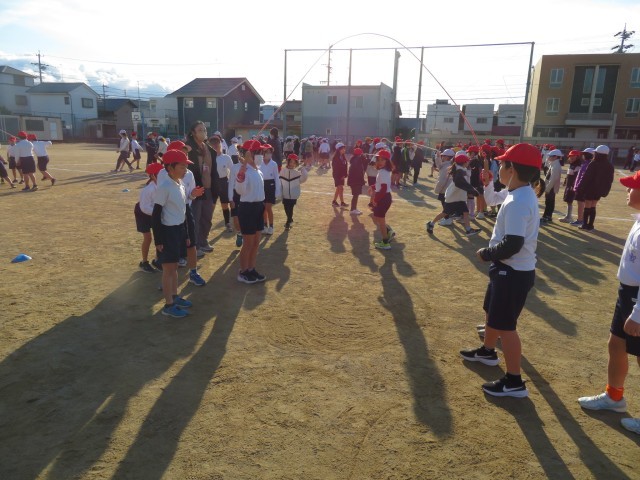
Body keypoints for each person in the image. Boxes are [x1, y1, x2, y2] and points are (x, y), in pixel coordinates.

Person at [460, 143, 544, 398]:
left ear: (512, 169)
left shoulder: (519, 201)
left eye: (503, 164)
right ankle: (487, 352)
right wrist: (487, 183)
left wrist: (486, 253)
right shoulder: (517, 192)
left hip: (513, 271)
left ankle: (514, 381)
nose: (499, 168)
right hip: (507, 269)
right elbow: (492, 200)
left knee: (506, 327)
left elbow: (513, 244)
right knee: (491, 312)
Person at [577, 170, 640, 435]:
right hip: (628, 293)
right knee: (616, 344)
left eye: (633, 187)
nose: (627, 191)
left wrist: (638, 313)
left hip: (637, 299)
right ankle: (614, 397)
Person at [151, 149, 195, 318]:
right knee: (168, 269)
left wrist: (186, 235)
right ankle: (168, 305)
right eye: (182, 166)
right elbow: (156, 215)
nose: (185, 170)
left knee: (175, 267)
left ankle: (175, 297)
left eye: (186, 166)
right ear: (170, 168)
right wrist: (158, 240)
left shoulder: (180, 184)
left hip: (178, 231)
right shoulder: (164, 187)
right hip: (168, 232)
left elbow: (182, 211)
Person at [426, 153, 481, 236]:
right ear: (464, 162)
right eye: (467, 161)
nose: (468, 162)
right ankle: (431, 224)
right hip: (453, 198)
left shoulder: (461, 169)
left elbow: (465, 180)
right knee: (445, 213)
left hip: (458, 197)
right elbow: (461, 183)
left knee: (465, 212)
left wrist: (471, 189)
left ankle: (468, 229)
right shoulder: (459, 171)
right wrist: (472, 190)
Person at [235, 140, 266, 283]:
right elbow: (239, 190)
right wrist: (243, 169)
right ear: (250, 154)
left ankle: (251, 268)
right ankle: (243, 271)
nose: (261, 155)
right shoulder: (244, 170)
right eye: (259, 152)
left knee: (256, 242)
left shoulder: (258, 170)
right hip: (248, 208)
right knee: (248, 243)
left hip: (259, 207)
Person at [185, 121, 218, 256]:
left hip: (208, 187)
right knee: (195, 218)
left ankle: (203, 241)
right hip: (195, 188)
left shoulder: (209, 149)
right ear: (193, 133)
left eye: (204, 130)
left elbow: (214, 171)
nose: (203, 132)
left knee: (207, 217)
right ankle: (195, 245)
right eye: (200, 130)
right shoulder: (188, 148)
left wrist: (215, 190)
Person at [574, 145, 615, 232]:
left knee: (587, 206)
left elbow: (586, 177)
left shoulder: (593, 163)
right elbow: (610, 180)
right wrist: (605, 190)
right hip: (599, 190)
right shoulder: (609, 165)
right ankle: (590, 225)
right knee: (593, 206)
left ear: (597, 153)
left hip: (590, 188)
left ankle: (585, 225)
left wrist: (580, 187)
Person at [135, 162, 164, 273]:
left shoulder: (162, 186)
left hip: (155, 213)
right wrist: (158, 213)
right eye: (159, 174)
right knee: (148, 238)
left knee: (160, 236)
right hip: (142, 214)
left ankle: (158, 260)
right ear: (152, 176)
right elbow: (144, 207)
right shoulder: (149, 189)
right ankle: (144, 262)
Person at [370, 149, 395, 250]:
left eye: (383, 160)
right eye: (378, 159)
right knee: (377, 217)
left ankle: (385, 243)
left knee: (380, 221)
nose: (380, 162)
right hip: (384, 197)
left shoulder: (383, 172)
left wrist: (375, 200)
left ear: (387, 161)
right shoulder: (383, 171)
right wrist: (373, 186)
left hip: (383, 198)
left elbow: (384, 189)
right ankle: (389, 231)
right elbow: (381, 184)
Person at [211, 135, 234, 232]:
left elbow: (233, 171)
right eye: (213, 144)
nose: (215, 146)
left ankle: (227, 223)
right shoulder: (209, 158)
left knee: (225, 204)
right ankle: (207, 224)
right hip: (213, 183)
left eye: (217, 143)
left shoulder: (226, 157)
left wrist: (232, 183)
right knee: (211, 205)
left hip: (224, 182)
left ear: (220, 144)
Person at [279, 153, 308, 229]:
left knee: (290, 207)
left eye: (294, 162)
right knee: (286, 208)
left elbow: (304, 178)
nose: (292, 164)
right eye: (291, 162)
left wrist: (303, 169)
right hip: (285, 194)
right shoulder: (282, 172)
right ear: (288, 161)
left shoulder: (297, 173)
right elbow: (279, 183)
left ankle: (288, 222)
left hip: (293, 195)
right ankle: (290, 219)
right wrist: (279, 193)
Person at [259, 143, 281, 235]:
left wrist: (277, 191)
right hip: (262, 185)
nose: (268, 154)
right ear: (262, 153)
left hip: (271, 186)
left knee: (268, 207)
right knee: (263, 208)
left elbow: (277, 178)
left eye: (270, 152)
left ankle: (271, 226)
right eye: (266, 152)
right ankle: (265, 225)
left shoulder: (274, 164)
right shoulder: (259, 163)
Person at [559, 150, 583, 223]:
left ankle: (569, 217)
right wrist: (565, 181)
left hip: (572, 186)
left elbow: (576, 177)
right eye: (570, 156)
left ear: (577, 157)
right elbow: (569, 175)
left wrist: (573, 185)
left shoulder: (578, 165)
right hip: (569, 185)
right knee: (568, 200)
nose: (571, 157)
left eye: (573, 156)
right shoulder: (572, 164)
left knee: (569, 200)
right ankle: (568, 216)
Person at [540, 149, 563, 224]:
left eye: (550, 156)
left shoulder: (556, 165)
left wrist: (547, 189)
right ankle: (547, 216)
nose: (549, 157)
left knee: (549, 202)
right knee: (549, 202)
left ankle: (547, 216)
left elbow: (553, 179)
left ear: (555, 157)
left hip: (551, 187)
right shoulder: (554, 164)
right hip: (550, 187)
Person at [346, 147, 368, 215]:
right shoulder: (357, 160)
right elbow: (358, 172)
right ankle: (353, 209)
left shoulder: (355, 159)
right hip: (355, 181)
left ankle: (354, 208)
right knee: (355, 195)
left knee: (356, 195)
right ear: (359, 154)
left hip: (354, 181)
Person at [331, 142, 348, 208]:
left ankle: (334, 201)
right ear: (338, 150)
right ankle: (342, 202)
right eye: (342, 148)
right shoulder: (335, 158)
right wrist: (341, 175)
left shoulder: (343, 157)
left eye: (344, 148)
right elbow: (336, 168)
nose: (344, 150)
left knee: (339, 188)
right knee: (340, 188)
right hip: (337, 175)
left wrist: (345, 174)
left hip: (342, 175)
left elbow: (345, 166)